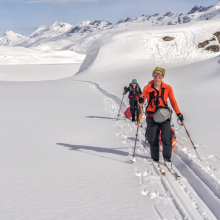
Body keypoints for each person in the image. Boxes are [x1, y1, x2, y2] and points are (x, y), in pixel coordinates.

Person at [138, 67, 184, 168]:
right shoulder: (147, 87)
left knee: (166, 138)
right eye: (155, 73)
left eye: (159, 74)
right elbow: (142, 98)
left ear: (163, 76)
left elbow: (173, 102)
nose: (157, 75)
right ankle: (155, 159)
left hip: (164, 116)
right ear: (153, 75)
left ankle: (167, 159)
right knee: (153, 139)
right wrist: (141, 100)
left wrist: (179, 113)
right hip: (151, 116)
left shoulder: (168, 88)